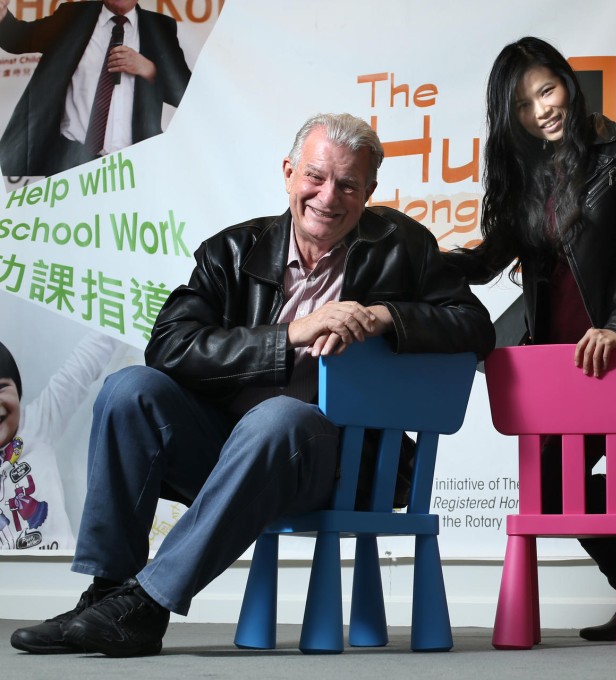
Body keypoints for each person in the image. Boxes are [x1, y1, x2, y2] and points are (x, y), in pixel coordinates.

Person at [9, 112, 495, 657]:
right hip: (228, 452)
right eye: (315, 177)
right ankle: (105, 597)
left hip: (337, 461)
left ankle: (145, 605)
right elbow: (168, 346)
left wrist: (386, 316)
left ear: (369, 192)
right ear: (289, 173)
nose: (328, 197)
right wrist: (291, 334)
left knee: (278, 417)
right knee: (129, 391)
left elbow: (475, 327)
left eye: (347, 184)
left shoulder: (402, 246)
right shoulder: (232, 251)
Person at [442, 36, 616, 642]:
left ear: (567, 80)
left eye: (547, 90)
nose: (542, 110)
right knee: (551, 492)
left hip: (606, 346)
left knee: (561, 489)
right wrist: (425, 260)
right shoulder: (523, 170)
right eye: (524, 105)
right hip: (549, 356)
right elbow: (489, 260)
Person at [0, 0, 191, 177]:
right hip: (69, 159)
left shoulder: (160, 27)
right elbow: (19, 39)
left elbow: (184, 92)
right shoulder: (73, 15)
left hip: (131, 165)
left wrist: (149, 69)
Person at [0, 334, 119, 551]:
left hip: (58, 567)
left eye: (1, 388)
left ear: (18, 389)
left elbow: (82, 365)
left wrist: (118, 323)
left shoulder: (38, 423)